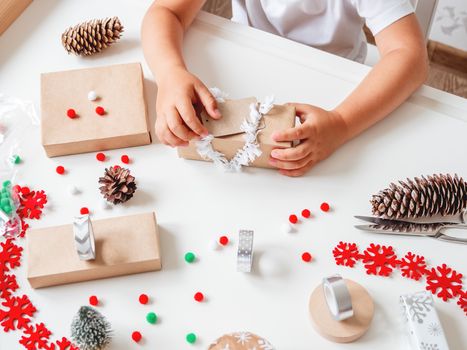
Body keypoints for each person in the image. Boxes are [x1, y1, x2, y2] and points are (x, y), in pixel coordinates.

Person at [141, 0, 428, 176]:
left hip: (335, 90)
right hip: (247, 67)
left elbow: (410, 56)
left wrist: (342, 123)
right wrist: (170, 73)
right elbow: (167, 11)